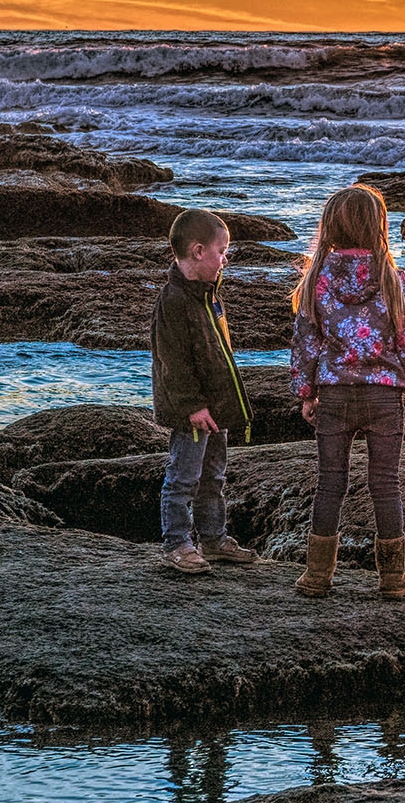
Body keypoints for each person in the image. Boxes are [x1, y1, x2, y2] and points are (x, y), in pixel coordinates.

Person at [289, 184, 405, 599]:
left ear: (330, 227)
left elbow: (305, 342)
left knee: (329, 483)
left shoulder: (316, 280)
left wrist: (306, 392)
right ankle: (392, 577)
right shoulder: (394, 280)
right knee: (385, 485)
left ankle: (317, 575)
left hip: (334, 395)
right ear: (378, 227)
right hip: (384, 397)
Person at [151, 208, 256, 574]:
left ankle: (213, 538)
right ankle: (177, 542)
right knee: (184, 477)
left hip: (217, 406)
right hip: (193, 412)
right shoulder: (174, 301)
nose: (225, 259)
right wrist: (193, 405)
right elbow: (173, 363)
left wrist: (221, 400)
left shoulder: (209, 295)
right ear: (198, 251)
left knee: (214, 475)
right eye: (221, 251)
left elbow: (219, 352)